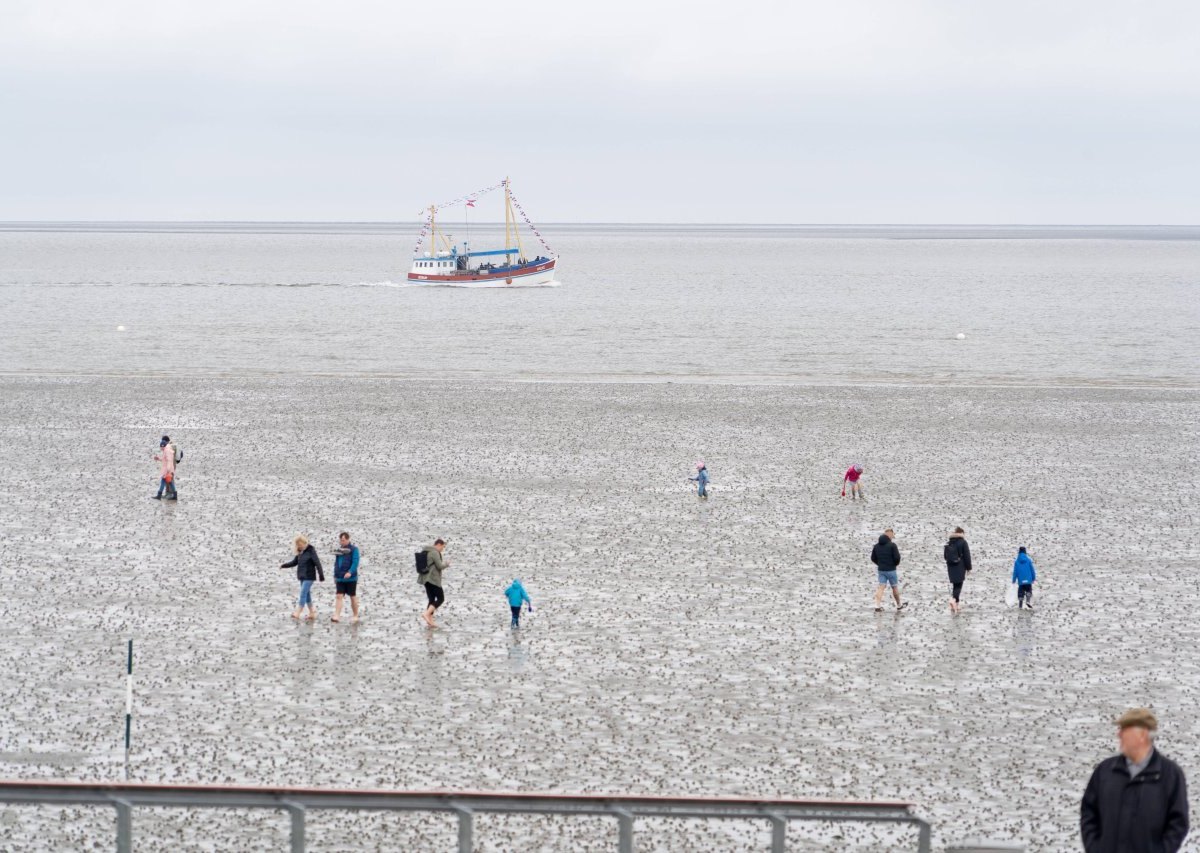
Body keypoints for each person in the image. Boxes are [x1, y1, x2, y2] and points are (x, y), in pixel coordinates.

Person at [1081, 708, 1189, 853]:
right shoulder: (1105, 771)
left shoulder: (1170, 775)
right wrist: (1094, 848)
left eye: (1124, 729)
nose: (1118, 734)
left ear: (1143, 734)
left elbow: (1178, 823)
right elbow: (1089, 812)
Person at [281, 535, 324, 621]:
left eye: (300, 545)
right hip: (302, 576)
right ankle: (312, 612)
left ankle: (298, 612)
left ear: (305, 543)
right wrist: (284, 565)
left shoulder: (311, 550)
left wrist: (321, 575)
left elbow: (317, 563)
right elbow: (294, 562)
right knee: (307, 594)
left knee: (303, 592)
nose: (299, 546)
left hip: (309, 576)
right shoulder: (300, 552)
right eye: (298, 545)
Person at [871, 528, 907, 612]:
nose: (892, 537)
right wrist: (895, 564)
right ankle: (899, 605)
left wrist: (879, 564)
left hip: (881, 570)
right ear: (889, 534)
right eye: (892, 535)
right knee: (894, 587)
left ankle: (877, 605)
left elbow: (873, 558)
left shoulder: (876, 546)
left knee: (881, 587)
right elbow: (897, 558)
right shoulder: (892, 545)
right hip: (891, 570)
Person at [331, 532, 360, 623]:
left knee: (352, 596)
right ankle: (337, 616)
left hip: (351, 578)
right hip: (340, 577)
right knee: (339, 595)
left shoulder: (354, 549)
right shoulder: (338, 551)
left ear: (348, 539)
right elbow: (337, 564)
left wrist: (350, 572)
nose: (341, 542)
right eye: (340, 540)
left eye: (343, 540)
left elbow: (355, 562)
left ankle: (355, 615)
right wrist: (335, 576)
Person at [419, 538, 449, 628]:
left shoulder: (426, 551)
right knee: (441, 598)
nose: (442, 549)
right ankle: (426, 614)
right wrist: (447, 564)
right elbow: (440, 566)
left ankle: (430, 621)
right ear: (439, 544)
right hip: (433, 579)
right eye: (443, 547)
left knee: (431, 599)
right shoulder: (434, 552)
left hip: (425, 579)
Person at [944, 526, 972, 614]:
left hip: (951, 567)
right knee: (959, 585)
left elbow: (945, 556)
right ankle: (954, 600)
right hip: (960, 566)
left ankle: (956, 603)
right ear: (962, 533)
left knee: (955, 585)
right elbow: (967, 556)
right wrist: (969, 568)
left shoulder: (949, 542)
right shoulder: (963, 542)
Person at [153, 435, 177, 500]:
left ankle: (159, 495)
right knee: (170, 482)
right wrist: (158, 459)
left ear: (163, 446)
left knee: (163, 481)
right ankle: (175, 495)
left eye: (161, 448)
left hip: (167, 469)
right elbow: (165, 460)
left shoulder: (167, 451)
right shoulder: (166, 450)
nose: (161, 449)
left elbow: (169, 461)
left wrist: (168, 470)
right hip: (168, 469)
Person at [1011, 546, 1037, 610]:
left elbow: (1015, 572)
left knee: (1020, 593)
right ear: (1025, 552)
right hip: (1028, 580)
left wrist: (1014, 580)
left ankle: (1020, 606)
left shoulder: (1017, 562)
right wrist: (1033, 578)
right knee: (1028, 590)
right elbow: (1032, 570)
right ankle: (1028, 601)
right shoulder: (1028, 560)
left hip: (1021, 581)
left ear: (1019, 552)